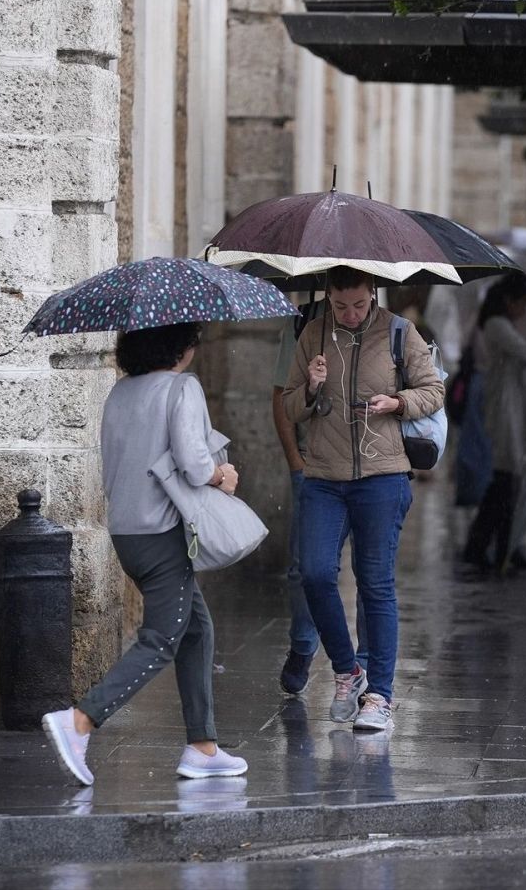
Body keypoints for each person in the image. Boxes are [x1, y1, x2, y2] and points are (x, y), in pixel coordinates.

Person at [42, 321, 248, 785]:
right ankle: (80, 721)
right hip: (163, 533)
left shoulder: (119, 393)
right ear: (180, 346)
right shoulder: (182, 388)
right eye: (193, 340)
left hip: (127, 534)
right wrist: (223, 476)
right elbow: (195, 463)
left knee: (196, 629)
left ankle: (203, 746)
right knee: (162, 636)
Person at [283, 267, 445, 732]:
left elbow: (433, 390)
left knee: (375, 583)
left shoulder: (398, 331)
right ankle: (346, 669)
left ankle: (379, 696)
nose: (349, 314)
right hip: (324, 478)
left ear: (372, 294)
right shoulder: (312, 333)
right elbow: (290, 404)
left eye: (357, 304)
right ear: (329, 298)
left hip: (382, 476)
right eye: (340, 306)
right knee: (313, 573)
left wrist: (397, 402)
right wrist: (311, 387)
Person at [270, 297, 365, 696]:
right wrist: (296, 462)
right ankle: (304, 646)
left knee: (371, 573)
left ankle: (364, 663)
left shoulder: (387, 327)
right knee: (307, 568)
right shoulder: (303, 326)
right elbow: (282, 396)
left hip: (371, 468)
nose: (351, 311)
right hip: (316, 467)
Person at [461, 272, 526, 574]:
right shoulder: (496, 325)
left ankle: (500, 545)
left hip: (516, 405)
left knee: (508, 479)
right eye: (523, 303)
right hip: (505, 407)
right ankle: (492, 545)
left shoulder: (506, 324)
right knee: (506, 479)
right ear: (510, 301)